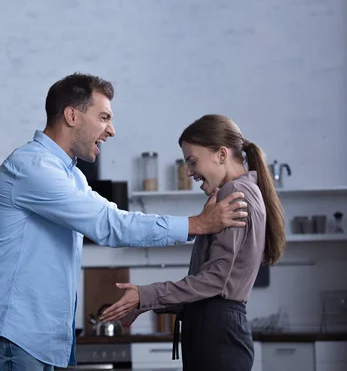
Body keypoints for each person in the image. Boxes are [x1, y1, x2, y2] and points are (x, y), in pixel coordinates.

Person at [0, 75, 249, 370]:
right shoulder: (33, 168)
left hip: (40, 340)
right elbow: (110, 224)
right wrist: (197, 225)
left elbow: (113, 218)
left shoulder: (70, 175)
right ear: (72, 115)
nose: (111, 130)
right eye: (103, 117)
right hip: (12, 336)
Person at [100, 114, 287, 371]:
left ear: (221, 154)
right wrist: (144, 302)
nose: (188, 172)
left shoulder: (233, 193)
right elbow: (216, 286)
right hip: (218, 331)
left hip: (216, 334)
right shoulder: (246, 191)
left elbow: (214, 281)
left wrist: (146, 294)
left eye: (192, 161)